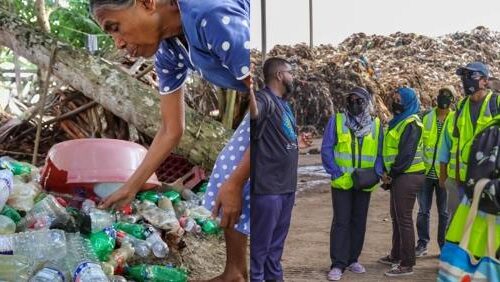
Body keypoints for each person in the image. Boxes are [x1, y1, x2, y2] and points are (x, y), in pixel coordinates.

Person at [89, 0, 251, 280]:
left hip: (279, 102)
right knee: (228, 172)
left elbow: (272, 92)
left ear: (146, 3)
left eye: (115, 28)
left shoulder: (211, 16)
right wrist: (131, 187)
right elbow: (171, 129)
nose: (117, 43)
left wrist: (237, 182)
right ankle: (235, 272)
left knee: (246, 179)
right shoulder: (168, 50)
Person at [250, 57, 312, 282]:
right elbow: (255, 114)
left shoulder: (284, 104)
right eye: (290, 72)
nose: (293, 77)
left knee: (276, 248)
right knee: (260, 248)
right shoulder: (263, 98)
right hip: (268, 189)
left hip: (286, 187)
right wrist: (247, 91)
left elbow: (278, 136)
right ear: (279, 75)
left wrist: (297, 141)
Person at [321, 87, 384, 281]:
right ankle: (338, 263)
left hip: (364, 182)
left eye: (359, 101)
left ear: (367, 103)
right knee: (341, 222)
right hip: (342, 181)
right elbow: (327, 148)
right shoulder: (337, 121)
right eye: (351, 100)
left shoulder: (375, 124)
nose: (355, 104)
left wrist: (376, 173)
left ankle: (353, 259)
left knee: (359, 221)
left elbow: (380, 153)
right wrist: (336, 172)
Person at [438, 62, 499, 219]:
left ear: (485, 81)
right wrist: (456, 177)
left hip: (489, 181)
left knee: (483, 230)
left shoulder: (495, 103)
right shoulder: (461, 106)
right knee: (456, 227)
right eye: (463, 76)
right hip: (462, 181)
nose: (466, 80)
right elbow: (457, 144)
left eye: (471, 76)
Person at [378, 87, 425, 277]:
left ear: (408, 101)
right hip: (399, 176)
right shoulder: (399, 121)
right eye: (394, 98)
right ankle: (396, 254)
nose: (395, 102)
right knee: (397, 217)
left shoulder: (411, 123)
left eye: (399, 99)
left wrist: (392, 174)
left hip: (407, 175)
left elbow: (406, 155)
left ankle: (407, 263)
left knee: (404, 219)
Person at [415, 87, 455, 257]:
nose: (443, 98)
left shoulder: (456, 119)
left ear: (452, 99)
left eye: (447, 95)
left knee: (444, 213)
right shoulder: (426, 116)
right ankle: (422, 244)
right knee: (423, 211)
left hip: (444, 174)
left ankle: (443, 246)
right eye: (441, 94)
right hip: (425, 172)